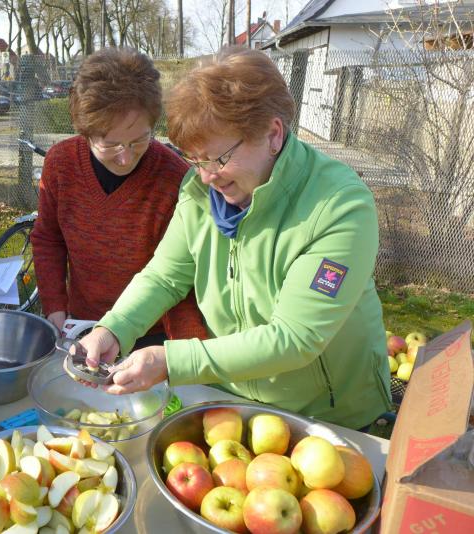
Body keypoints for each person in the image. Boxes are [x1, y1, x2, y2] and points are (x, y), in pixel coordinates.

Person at [78, 47, 391, 430]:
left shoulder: (339, 205)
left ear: (272, 134)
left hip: (327, 416)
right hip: (232, 402)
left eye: (219, 158)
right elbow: (165, 276)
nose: (206, 176)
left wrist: (172, 361)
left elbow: (295, 337)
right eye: (195, 160)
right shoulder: (199, 192)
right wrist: (114, 328)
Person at [30, 47, 208, 348]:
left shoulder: (174, 178)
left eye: (139, 140)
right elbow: (48, 238)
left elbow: (180, 277)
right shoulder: (61, 163)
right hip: (82, 325)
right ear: (86, 131)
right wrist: (55, 307)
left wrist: (184, 355)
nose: (125, 158)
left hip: (150, 334)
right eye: (111, 145)